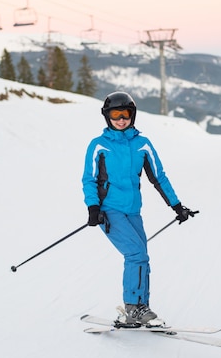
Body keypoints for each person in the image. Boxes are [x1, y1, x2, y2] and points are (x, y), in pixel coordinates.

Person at [82, 91, 195, 326]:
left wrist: (176, 206)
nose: (121, 119)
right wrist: (93, 207)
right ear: (107, 117)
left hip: (133, 211)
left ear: (132, 115)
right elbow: (89, 179)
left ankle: (139, 307)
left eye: (126, 114)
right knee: (136, 254)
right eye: (116, 114)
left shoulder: (142, 144)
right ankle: (134, 308)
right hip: (109, 211)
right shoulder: (99, 145)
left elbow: (159, 177)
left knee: (141, 257)